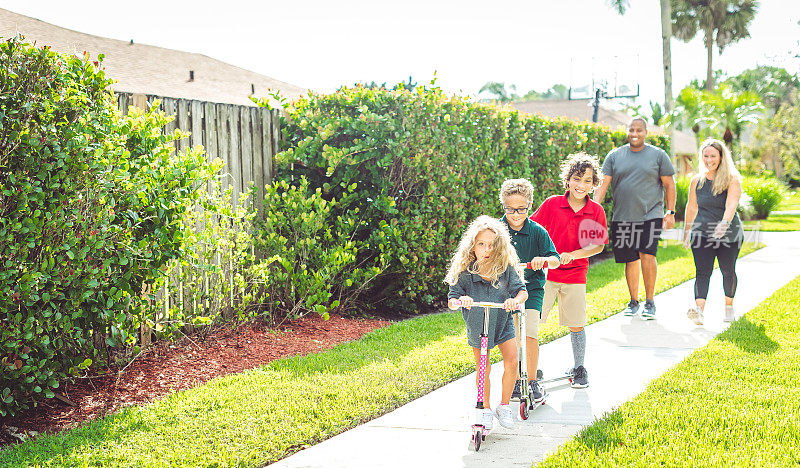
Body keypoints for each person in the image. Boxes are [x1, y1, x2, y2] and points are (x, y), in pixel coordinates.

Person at [531, 153, 608, 388]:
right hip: (545, 275)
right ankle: (530, 369)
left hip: (575, 275)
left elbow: (597, 246)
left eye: (587, 181)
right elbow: (532, 228)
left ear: (594, 184)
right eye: (577, 179)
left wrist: (572, 255)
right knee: (533, 321)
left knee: (576, 323)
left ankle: (579, 368)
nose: (581, 185)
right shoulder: (553, 204)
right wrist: (543, 255)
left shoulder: (595, 211)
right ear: (568, 180)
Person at [445, 215, 528, 430]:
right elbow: (452, 298)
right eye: (481, 244)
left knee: (512, 362)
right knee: (484, 368)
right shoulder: (465, 272)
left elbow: (522, 292)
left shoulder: (505, 268)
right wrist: (460, 301)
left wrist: (514, 300)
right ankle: (486, 409)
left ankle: (504, 406)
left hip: (502, 322)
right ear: (473, 246)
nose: (486, 249)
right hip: (477, 324)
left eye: (491, 245)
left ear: (499, 246)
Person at [593, 117, 676, 320]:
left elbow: (669, 184)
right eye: (631, 130)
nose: (635, 134)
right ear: (627, 131)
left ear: (646, 132)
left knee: (648, 255)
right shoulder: (614, 156)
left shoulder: (658, 155)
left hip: (651, 214)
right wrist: (592, 211)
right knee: (630, 260)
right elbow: (603, 185)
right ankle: (633, 301)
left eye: (639, 130)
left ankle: (650, 302)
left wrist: (671, 212)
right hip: (622, 216)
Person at [497, 179, 560, 404]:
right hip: (505, 292)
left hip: (532, 289)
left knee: (530, 332)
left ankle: (532, 382)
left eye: (521, 209)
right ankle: (514, 381)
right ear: (503, 205)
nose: (515, 214)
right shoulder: (497, 231)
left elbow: (555, 259)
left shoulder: (537, 231)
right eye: (510, 209)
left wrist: (544, 259)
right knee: (511, 337)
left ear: (529, 206)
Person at [682, 139, 744, 325]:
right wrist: (686, 232)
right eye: (706, 156)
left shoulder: (732, 179)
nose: (709, 160)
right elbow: (691, 207)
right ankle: (699, 311)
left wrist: (724, 224)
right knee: (702, 271)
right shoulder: (697, 181)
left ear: (721, 157)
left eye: (713, 156)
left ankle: (728, 307)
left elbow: (731, 204)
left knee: (728, 271)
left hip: (729, 234)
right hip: (702, 232)